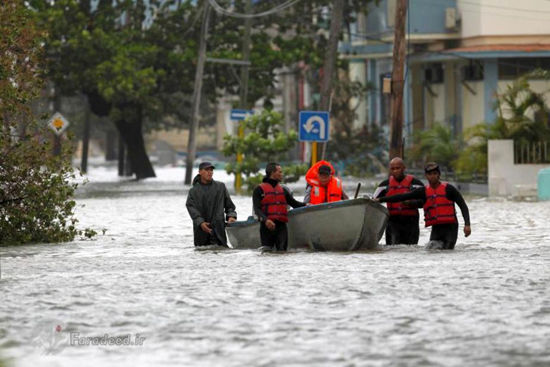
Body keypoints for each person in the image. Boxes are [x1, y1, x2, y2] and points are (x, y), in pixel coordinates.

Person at [376, 162, 471, 250]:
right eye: (430, 174)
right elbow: (401, 197)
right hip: (436, 228)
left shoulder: (449, 189)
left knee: (448, 251)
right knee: (431, 249)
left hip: (451, 227)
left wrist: (467, 225)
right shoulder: (423, 191)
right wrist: (380, 199)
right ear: (426, 176)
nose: (432, 176)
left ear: (439, 175)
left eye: (435, 174)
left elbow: (463, 205)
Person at [252, 162, 305, 251]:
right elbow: (257, 209)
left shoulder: (283, 190)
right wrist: (266, 220)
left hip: (281, 227)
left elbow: (295, 204)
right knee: (267, 252)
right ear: (272, 173)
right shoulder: (259, 189)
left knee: (282, 252)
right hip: (266, 227)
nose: (282, 174)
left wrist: (307, 205)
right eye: (280, 172)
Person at [373, 157, 424, 245]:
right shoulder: (384, 185)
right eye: (393, 169)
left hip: (411, 222)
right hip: (393, 221)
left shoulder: (416, 184)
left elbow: (425, 202)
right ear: (390, 170)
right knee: (392, 248)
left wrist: (411, 203)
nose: (395, 171)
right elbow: (373, 202)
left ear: (404, 168)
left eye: (398, 168)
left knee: (411, 248)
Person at [186, 162, 237, 247]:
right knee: (202, 254)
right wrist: (201, 223)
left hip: (219, 231)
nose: (210, 172)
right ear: (200, 172)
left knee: (221, 253)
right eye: (207, 170)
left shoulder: (221, 187)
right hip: (201, 233)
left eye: (211, 170)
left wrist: (231, 216)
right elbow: (191, 208)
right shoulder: (193, 191)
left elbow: (230, 206)